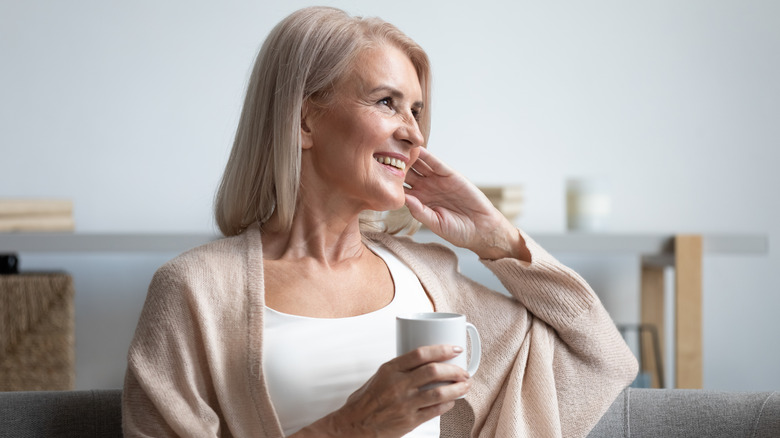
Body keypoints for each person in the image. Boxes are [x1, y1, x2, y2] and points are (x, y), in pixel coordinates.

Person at [122, 6, 638, 437]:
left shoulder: (429, 279)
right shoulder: (194, 290)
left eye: (416, 111)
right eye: (387, 102)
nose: (414, 134)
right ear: (304, 120)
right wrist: (351, 427)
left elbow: (602, 357)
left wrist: (496, 238)